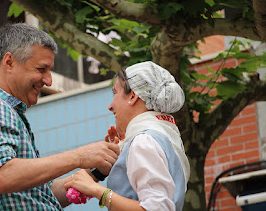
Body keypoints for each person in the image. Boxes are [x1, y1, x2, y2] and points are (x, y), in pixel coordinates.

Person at [0, 23, 120, 210]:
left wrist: (95, 168)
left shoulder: (4, 109)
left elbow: (41, 195)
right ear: (9, 62)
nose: (48, 80)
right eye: (41, 69)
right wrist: (79, 156)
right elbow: (2, 177)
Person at [65, 61, 190, 211]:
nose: (110, 106)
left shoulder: (143, 141)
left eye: (115, 92)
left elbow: (157, 208)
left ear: (132, 96)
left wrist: (96, 190)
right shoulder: (166, 136)